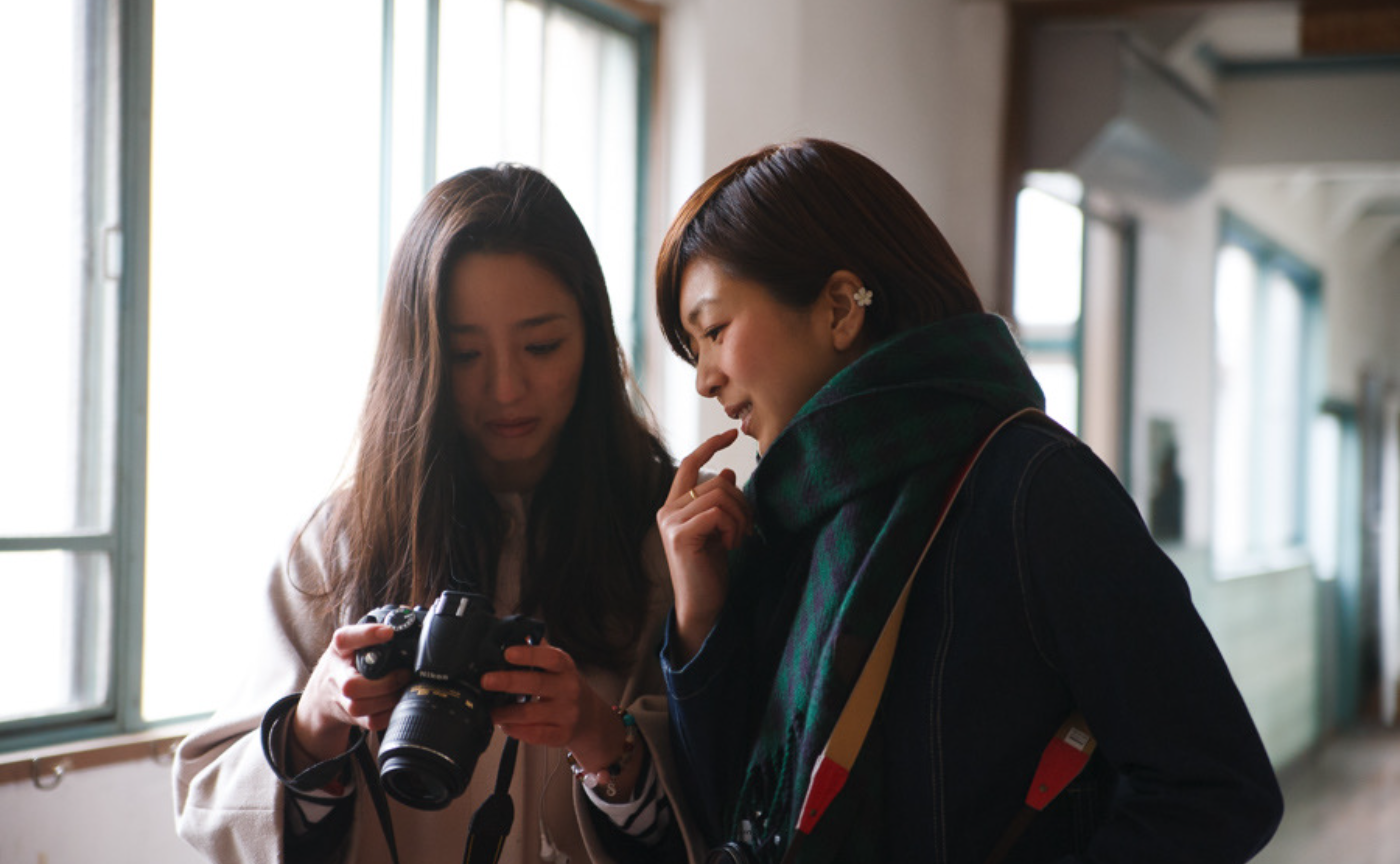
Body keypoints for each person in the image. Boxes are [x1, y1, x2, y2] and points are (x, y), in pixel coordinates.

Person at [652, 138, 1283, 863]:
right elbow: (739, 817)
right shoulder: (781, 526)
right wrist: (701, 623)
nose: (704, 379)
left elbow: (1217, 788)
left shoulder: (1034, 487)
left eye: (713, 331)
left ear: (837, 308)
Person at [174, 164, 705, 864]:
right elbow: (210, 805)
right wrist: (314, 723)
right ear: (417, 358)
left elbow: (737, 799)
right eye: (462, 354)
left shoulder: (668, 539)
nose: (506, 388)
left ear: (594, 339)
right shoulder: (339, 542)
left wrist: (605, 740)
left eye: (542, 346)